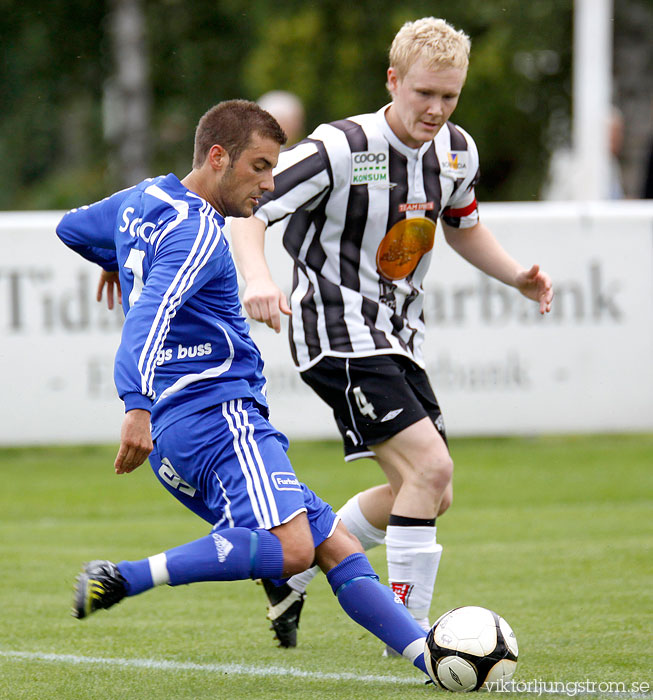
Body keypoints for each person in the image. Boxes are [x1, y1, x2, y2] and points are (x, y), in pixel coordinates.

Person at [55, 99, 431, 677]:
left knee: (334, 544)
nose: (269, 182)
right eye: (259, 167)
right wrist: (135, 407)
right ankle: (125, 576)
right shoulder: (201, 233)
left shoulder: (146, 199)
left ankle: (430, 657)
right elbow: (148, 316)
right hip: (218, 417)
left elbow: (70, 227)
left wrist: (117, 256)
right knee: (293, 550)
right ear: (217, 157)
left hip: (191, 431)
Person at [230, 18, 553, 652]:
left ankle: (290, 565)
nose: (436, 109)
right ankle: (408, 636)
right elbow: (251, 206)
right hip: (336, 329)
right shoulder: (341, 145)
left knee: (431, 491)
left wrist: (515, 274)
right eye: (424, 93)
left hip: (398, 333)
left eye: (450, 96)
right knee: (430, 467)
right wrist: (257, 278)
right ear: (393, 81)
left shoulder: (457, 150)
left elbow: (461, 226)